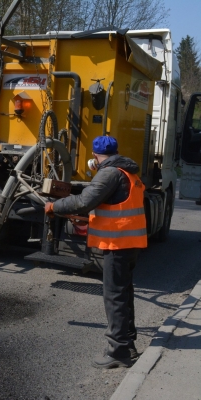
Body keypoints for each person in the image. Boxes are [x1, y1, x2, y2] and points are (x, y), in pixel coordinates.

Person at [44, 136, 148, 369]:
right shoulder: (129, 171)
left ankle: (119, 351)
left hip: (118, 244)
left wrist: (54, 207)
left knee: (114, 296)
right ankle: (127, 342)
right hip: (130, 242)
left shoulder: (110, 173)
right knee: (123, 291)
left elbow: (84, 201)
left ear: (94, 156)